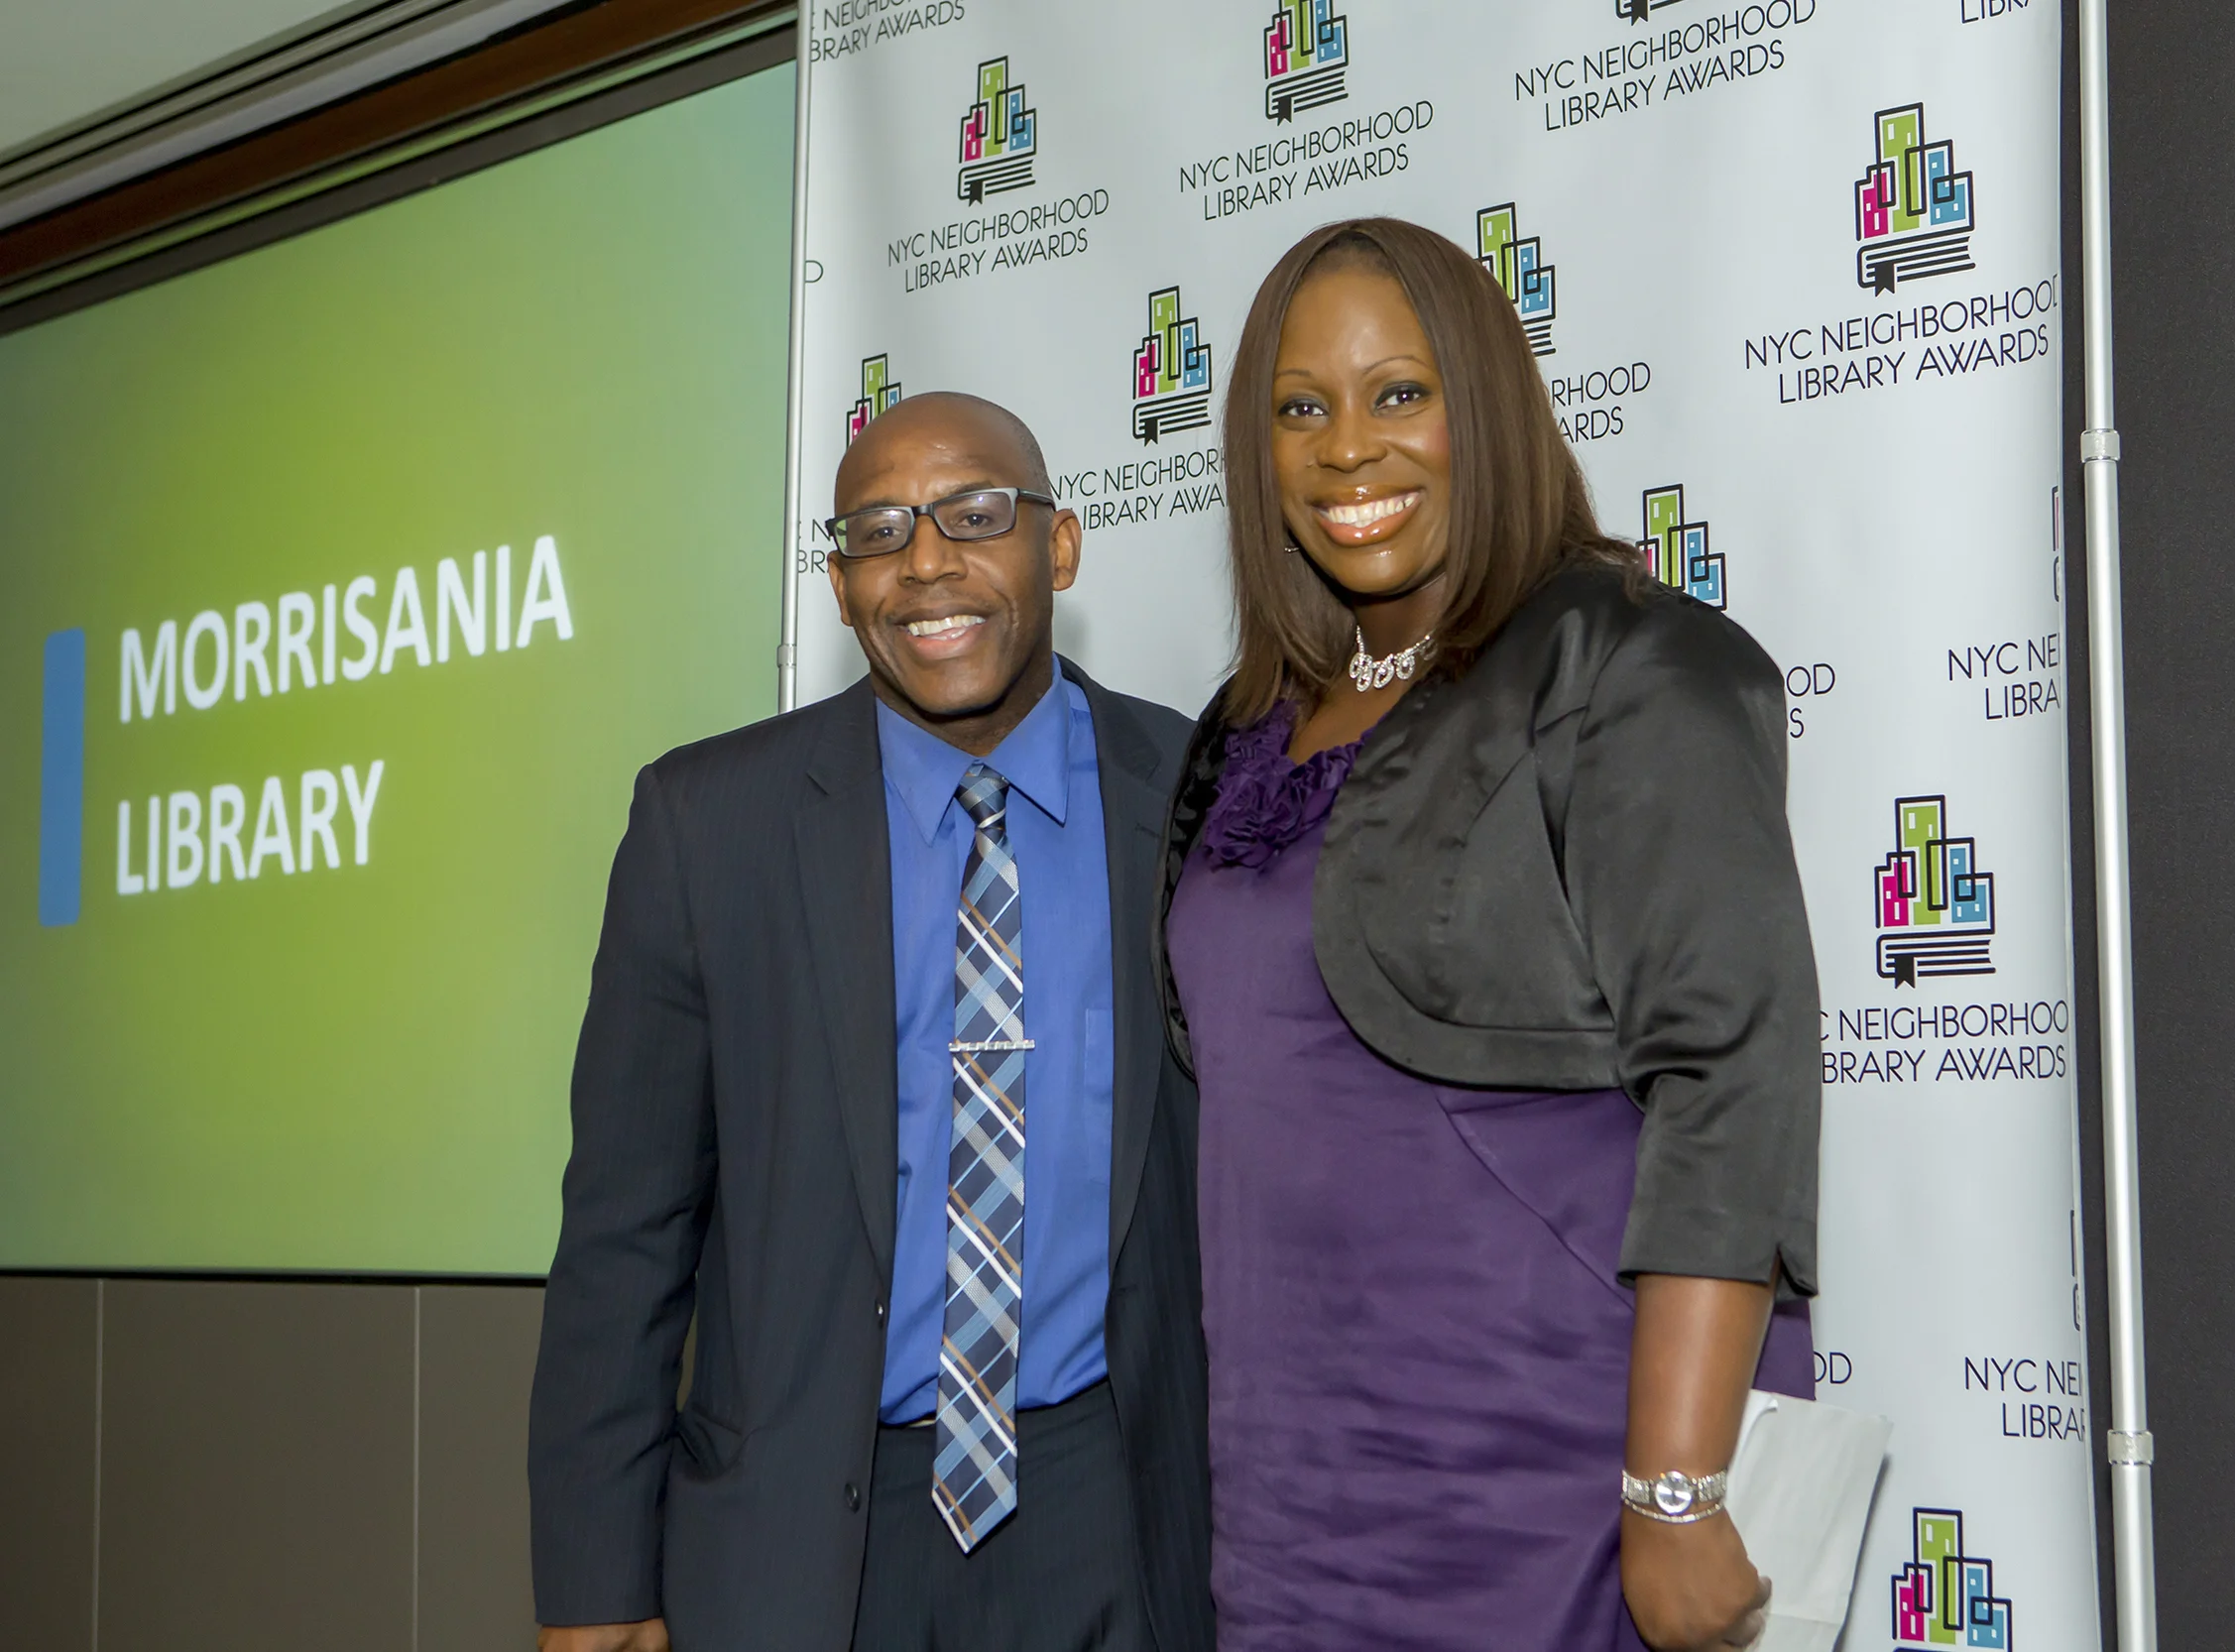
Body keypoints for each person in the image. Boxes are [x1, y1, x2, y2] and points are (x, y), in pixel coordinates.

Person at [1155, 217, 1822, 1652]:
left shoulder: (1632, 660)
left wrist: (1677, 1489)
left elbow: (1730, 1081)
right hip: (1289, 1495)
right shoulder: (1241, 733)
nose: (1348, 449)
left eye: (1400, 392)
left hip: (1551, 1486)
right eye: (1300, 406)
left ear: (1487, 405)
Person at [529, 392, 1211, 1652]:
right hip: (804, 1532)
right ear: (841, 587)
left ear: (1057, 547)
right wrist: (593, 1582)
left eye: (975, 515)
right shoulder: (707, 824)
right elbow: (625, 1230)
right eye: (878, 532)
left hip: (1111, 1507)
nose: (927, 563)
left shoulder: (1194, 797)